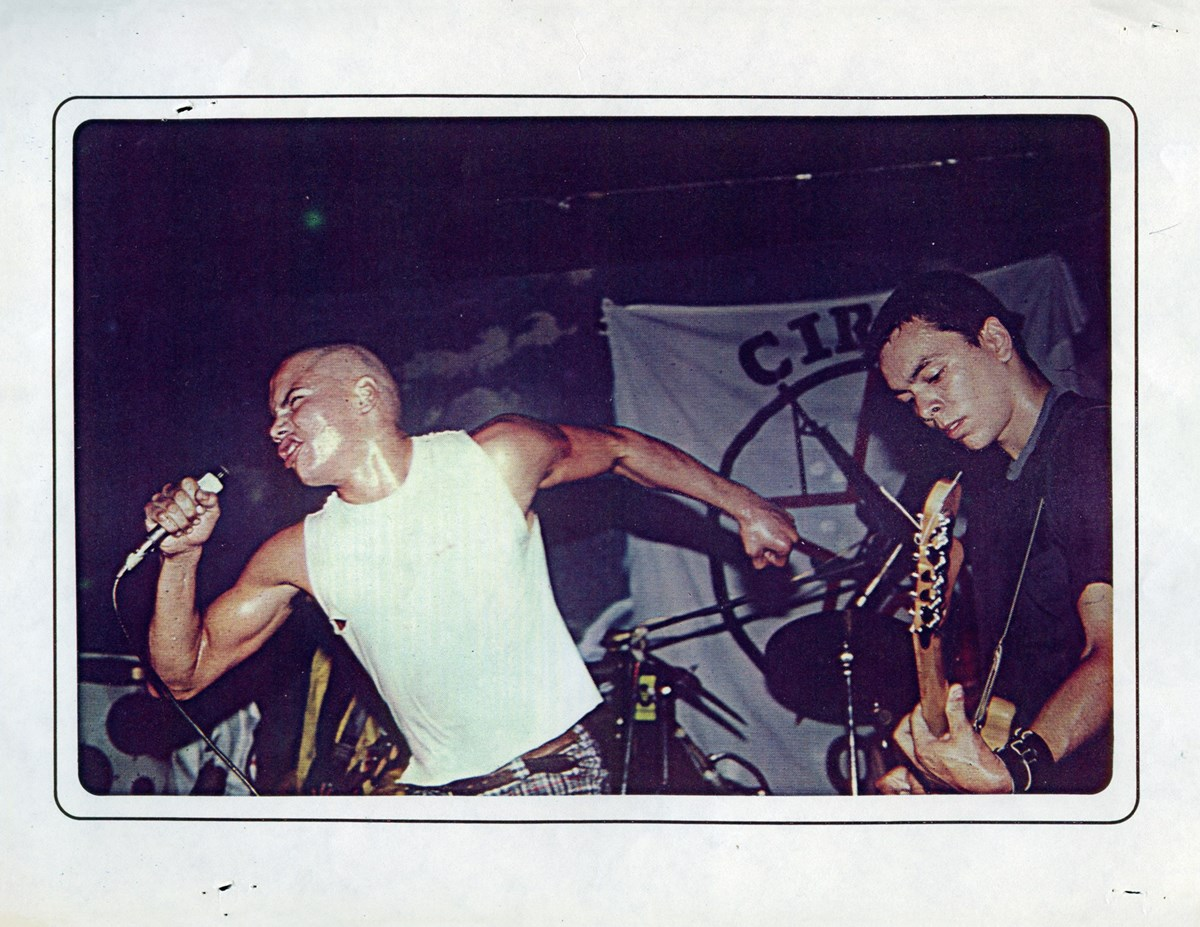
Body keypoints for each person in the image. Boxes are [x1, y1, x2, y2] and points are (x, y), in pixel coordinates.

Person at [144, 343, 799, 795]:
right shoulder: (298, 552)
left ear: (363, 395)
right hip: (439, 797)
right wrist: (181, 555)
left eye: (293, 402)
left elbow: (623, 449)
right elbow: (183, 672)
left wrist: (744, 504)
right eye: (272, 415)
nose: (276, 428)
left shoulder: (494, 459)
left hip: (549, 779)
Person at [865, 271, 1112, 794]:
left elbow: (1120, 650)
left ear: (995, 340)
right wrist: (941, 767)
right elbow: (1024, 672)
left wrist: (1016, 769)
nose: (925, 410)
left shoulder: (1092, 444)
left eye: (934, 376)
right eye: (908, 399)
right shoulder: (989, 486)